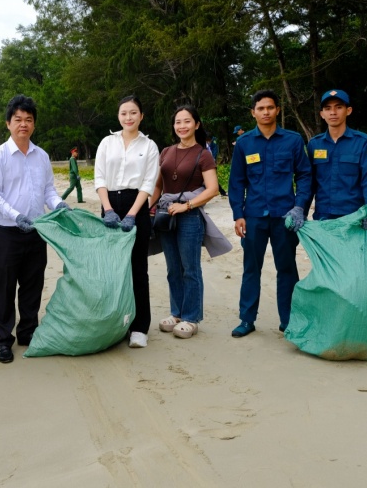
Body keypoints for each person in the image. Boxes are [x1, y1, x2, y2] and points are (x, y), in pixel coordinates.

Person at [0, 95, 68, 363]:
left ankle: (28, 331)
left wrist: (58, 205)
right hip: (7, 231)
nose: (23, 124)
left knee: (33, 283)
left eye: (28, 120)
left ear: (34, 124)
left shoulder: (41, 156)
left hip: (36, 231)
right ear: (8, 124)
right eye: (18, 119)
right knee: (5, 286)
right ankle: (3, 339)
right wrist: (16, 215)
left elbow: (48, 191)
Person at [227, 89, 311, 338]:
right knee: (251, 268)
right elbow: (236, 182)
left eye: (270, 108)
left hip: (284, 217)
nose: (265, 112)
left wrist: (300, 207)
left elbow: (305, 175)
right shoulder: (244, 143)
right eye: (260, 108)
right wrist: (238, 214)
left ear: (278, 110)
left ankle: (288, 319)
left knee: (287, 268)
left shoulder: (293, 140)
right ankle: (247, 319)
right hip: (253, 217)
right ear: (253, 112)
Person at [150, 105, 221, 339]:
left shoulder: (204, 154)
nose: (182, 126)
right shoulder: (166, 151)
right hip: (166, 215)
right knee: (172, 268)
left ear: (197, 124)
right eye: (178, 122)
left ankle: (191, 317)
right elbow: (158, 185)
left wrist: (186, 205)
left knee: (190, 269)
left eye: (187, 121)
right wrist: (151, 206)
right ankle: (177, 313)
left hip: (190, 217)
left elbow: (212, 190)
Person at [94, 95, 159, 348]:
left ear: (141, 116)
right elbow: (100, 178)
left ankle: (140, 327)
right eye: (124, 113)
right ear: (118, 116)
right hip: (109, 204)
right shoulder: (107, 143)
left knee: (137, 269)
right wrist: (108, 210)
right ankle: (114, 323)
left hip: (138, 206)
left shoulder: (149, 146)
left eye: (133, 113)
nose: (128, 117)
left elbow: (148, 183)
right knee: (112, 269)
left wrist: (132, 214)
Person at [307, 90, 367, 226]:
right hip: (323, 215)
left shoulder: (362, 141)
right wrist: (301, 210)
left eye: (338, 107)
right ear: (322, 114)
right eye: (328, 108)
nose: (333, 112)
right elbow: (308, 182)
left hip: (353, 215)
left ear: (348, 110)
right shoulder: (314, 144)